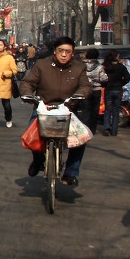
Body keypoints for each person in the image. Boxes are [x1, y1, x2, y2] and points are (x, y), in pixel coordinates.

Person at [19, 36, 92, 185]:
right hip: (43, 108)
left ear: (72, 53)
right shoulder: (41, 65)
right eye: (60, 51)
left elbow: (85, 86)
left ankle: (71, 172)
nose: (63, 54)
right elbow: (28, 82)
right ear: (55, 51)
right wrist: (27, 94)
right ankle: (38, 160)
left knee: (81, 138)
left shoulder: (79, 68)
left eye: (67, 51)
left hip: (68, 109)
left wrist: (79, 96)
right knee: (31, 135)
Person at [101, 49, 130, 136]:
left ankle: (107, 127)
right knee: (116, 110)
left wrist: (105, 84)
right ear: (116, 57)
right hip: (118, 90)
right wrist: (121, 83)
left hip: (108, 89)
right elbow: (127, 78)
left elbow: (102, 78)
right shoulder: (121, 67)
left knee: (108, 109)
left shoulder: (106, 66)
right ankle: (114, 131)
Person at [83, 48, 106, 134]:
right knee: (94, 110)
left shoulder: (83, 66)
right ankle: (92, 130)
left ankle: (85, 129)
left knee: (86, 110)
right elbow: (104, 78)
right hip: (96, 90)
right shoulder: (100, 67)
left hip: (85, 89)